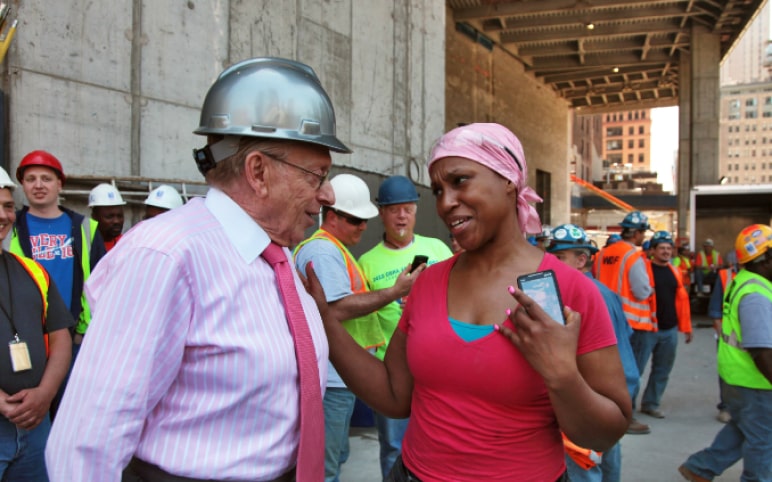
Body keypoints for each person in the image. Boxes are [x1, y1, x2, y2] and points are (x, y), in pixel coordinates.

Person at [45, 57, 349, 481]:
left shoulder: (277, 263)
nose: (328, 194)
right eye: (317, 175)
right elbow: (87, 445)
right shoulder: (166, 256)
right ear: (258, 171)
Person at [309, 123, 630, 481]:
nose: (445, 203)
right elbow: (395, 395)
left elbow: (605, 432)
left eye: (460, 181)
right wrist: (324, 320)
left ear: (508, 179)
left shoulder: (568, 290)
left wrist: (563, 376)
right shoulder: (428, 282)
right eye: (438, 190)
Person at [294, 173, 421, 482]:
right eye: (355, 220)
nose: (363, 227)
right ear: (332, 216)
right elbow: (335, 310)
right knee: (326, 468)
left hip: (341, 375)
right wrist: (394, 292)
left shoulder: (336, 249)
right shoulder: (324, 251)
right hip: (331, 377)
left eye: (365, 220)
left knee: (336, 457)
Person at [357, 175, 453, 478]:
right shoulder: (367, 263)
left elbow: (461, 292)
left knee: (444, 445)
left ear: (415, 211)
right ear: (382, 213)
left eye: (407, 209)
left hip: (441, 368)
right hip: (393, 373)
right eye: (394, 209)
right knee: (394, 448)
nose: (401, 216)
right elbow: (365, 323)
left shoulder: (437, 248)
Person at [9, 150, 106, 417]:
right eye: (30, 179)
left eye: (46, 178)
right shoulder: (10, 226)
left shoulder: (85, 228)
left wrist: (84, 331)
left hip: (73, 338)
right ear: (23, 185)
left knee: (70, 415)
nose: (38, 185)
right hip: (25, 336)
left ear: (59, 184)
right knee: (27, 411)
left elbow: (102, 284)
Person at [679, 224, 772, 482]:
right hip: (753, 380)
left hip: (737, 376)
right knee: (763, 439)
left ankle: (700, 468)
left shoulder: (745, 281)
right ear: (764, 259)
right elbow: (761, 349)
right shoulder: (756, 294)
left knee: (743, 428)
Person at [548, 223, 640, 482]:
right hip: (613, 401)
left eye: (559, 258)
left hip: (591, 404)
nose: (551, 264)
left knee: (585, 470)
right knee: (608, 466)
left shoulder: (579, 296)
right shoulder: (604, 293)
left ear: (582, 260)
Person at [0, 166, 73, 481]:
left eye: (6, 205)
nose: (3, 215)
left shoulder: (33, 271)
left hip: (36, 428)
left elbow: (60, 338)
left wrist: (46, 393)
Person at [593, 210, 654, 435]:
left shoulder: (602, 254)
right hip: (632, 322)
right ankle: (625, 417)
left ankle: (609, 413)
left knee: (607, 372)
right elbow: (641, 291)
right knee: (630, 372)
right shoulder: (633, 256)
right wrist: (651, 290)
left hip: (604, 315)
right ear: (637, 234)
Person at [635, 231, 692, 420]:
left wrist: (686, 327)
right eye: (662, 248)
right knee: (636, 370)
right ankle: (626, 407)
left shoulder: (675, 271)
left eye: (669, 248)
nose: (666, 252)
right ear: (653, 250)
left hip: (670, 329)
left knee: (662, 370)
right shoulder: (643, 269)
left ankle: (651, 404)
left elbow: (682, 301)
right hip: (647, 329)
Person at [708, 265, 736, 424]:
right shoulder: (726, 275)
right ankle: (726, 407)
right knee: (727, 371)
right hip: (730, 336)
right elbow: (716, 309)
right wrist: (722, 337)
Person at [88, 183, 126, 252]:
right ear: (94, 216)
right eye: (109, 217)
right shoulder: (83, 245)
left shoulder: (127, 244)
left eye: (120, 216)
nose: (116, 221)